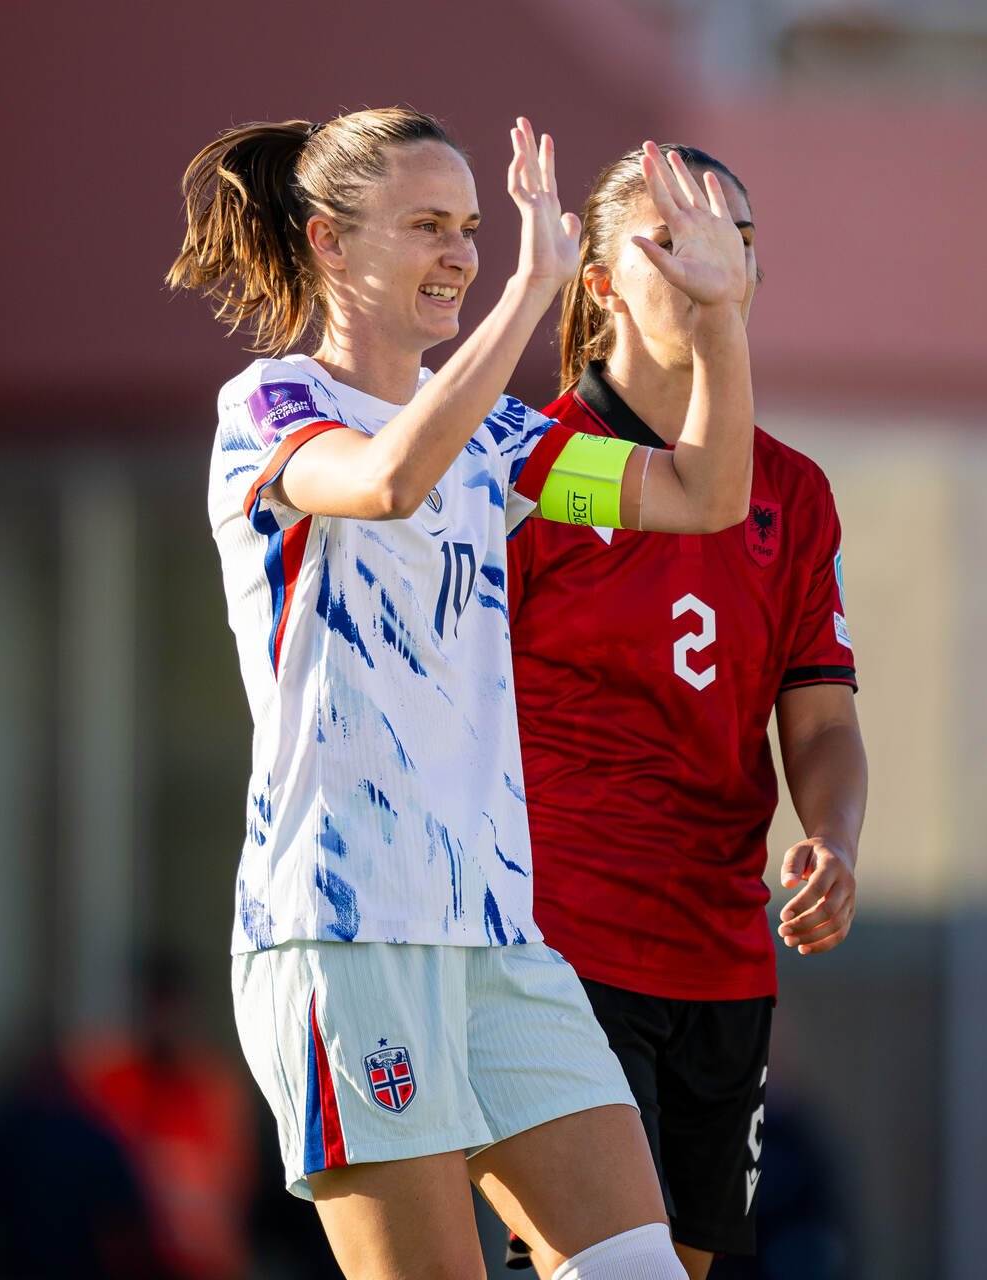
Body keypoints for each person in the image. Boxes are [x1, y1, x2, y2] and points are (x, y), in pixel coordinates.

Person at [168, 106, 758, 1279]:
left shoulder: (499, 435)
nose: (462, 253)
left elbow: (702, 491)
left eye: (474, 228)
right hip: (345, 934)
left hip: (497, 941)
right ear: (330, 242)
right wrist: (530, 294)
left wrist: (721, 313)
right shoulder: (272, 407)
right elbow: (387, 479)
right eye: (427, 225)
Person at [501, 144, 867, 1278]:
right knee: (603, 1263)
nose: (716, 265)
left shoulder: (792, 489)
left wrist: (835, 841)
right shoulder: (531, 463)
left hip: (718, 953)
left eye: (738, 244)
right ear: (601, 282)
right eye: (678, 241)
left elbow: (820, 718)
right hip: (557, 941)